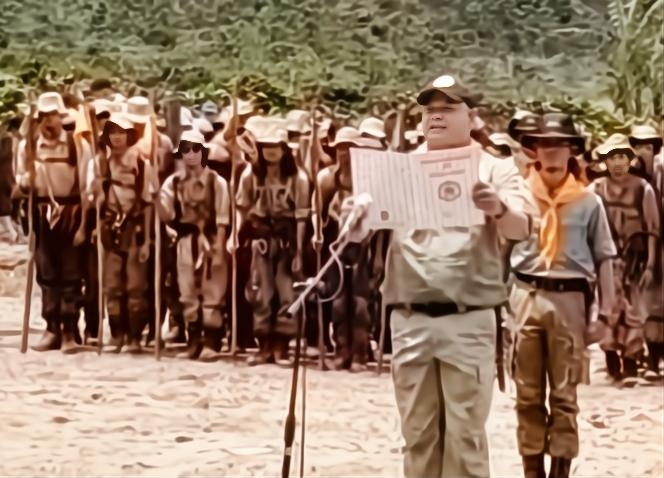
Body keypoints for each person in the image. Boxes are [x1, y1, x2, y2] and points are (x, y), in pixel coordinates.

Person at [380, 75, 530, 477]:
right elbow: (363, 225)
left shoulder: (495, 168)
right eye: (429, 110)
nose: (436, 117)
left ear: (471, 117)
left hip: (467, 318)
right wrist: (356, 216)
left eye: (447, 109)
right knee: (417, 436)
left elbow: (521, 228)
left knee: (464, 437)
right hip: (410, 317)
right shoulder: (399, 169)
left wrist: (497, 207)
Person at [509, 113, 616, 478]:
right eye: (545, 144)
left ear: (572, 150)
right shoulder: (517, 198)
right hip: (526, 294)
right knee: (526, 393)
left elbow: (605, 258)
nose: (552, 152)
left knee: (565, 394)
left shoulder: (588, 201)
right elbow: (499, 252)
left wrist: (605, 314)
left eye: (559, 145)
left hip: (569, 298)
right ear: (534, 150)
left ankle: (561, 468)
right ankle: (532, 469)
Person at [15, 92, 92, 353]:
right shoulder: (27, 147)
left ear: (60, 117)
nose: (48, 122)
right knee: (46, 273)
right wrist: (26, 181)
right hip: (41, 214)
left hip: (71, 212)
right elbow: (20, 182)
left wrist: (83, 225)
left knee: (71, 273)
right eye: (43, 117)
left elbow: (87, 188)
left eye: (52, 116)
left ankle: (70, 329)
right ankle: (52, 328)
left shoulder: (78, 145)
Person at [233, 117, 310, 367]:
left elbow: (301, 217)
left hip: (286, 240)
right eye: (266, 146)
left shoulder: (298, 178)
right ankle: (264, 345)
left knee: (287, 293)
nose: (270, 151)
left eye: (275, 146)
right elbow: (243, 208)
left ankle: (281, 346)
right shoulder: (250, 176)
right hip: (261, 240)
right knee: (261, 293)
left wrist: (299, 251)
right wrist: (235, 235)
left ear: (284, 149)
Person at [589, 134, 659, 383]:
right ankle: (611, 357)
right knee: (607, 308)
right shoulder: (596, 189)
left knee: (634, 310)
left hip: (635, 260)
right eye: (612, 158)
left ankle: (631, 360)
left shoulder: (643, 188)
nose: (617, 163)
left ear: (630, 159)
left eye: (622, 157)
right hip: (606, 259)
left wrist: (650, 265)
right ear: (605, 161)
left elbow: (653, 229)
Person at [157, 130, 231, 360]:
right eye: (185, 149)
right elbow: (166, 214)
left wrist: (219, 250)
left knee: (213, 291)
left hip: (211, 239)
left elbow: (222, 218)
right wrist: (154, 196)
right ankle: (194, 340)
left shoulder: (217, 182)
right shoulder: (174, 183)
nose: (190, 154)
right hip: (186, 241)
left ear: (203, 152)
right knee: (187, 290)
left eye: (195, 149)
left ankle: (211, 341)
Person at [90, 113, 156, 353]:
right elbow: (95, 202)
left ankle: (134, 337)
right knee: (111, 286)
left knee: (136, 286)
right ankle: (117, 334)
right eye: (112, 133)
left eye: (121, 132)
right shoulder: (100, 164)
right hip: (110, 229)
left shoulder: (142, 164)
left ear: (129, 136)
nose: (117, 137)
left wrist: (147, 240)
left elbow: (148, 203)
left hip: (135, 229)